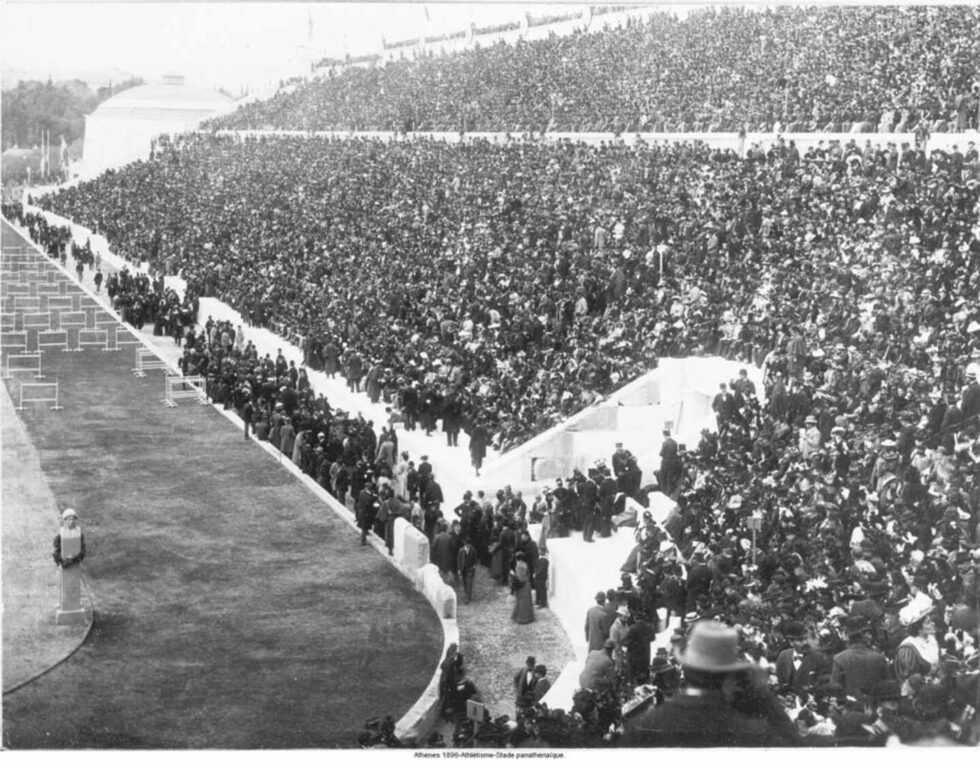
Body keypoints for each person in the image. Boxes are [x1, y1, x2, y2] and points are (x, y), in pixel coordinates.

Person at [622, 621, 795, 747]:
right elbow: (795, 744)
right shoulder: (755, 730)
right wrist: (764, 696)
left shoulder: (642, 725)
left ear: (687, 668)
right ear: (729, 674)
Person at [830, 615, 890, 703]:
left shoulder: (839, 659)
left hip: (851, 708)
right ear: (861, 635)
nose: (871, 637)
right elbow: (887, 685)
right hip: (874, 706)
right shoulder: (879, 658)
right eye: (868, 633)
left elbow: (835, 689)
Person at [510, 551, 535, 624]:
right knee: (526, 603)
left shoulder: (519, 566)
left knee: (521, 603)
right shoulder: (525, 564)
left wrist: (513, 576)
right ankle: (528, 617)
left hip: (522, 586)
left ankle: (521, 618)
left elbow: (520, 577)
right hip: (527, 584)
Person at [456, 538, 478, 604]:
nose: (468, 546)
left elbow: (475, 559)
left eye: (469, 545)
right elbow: (459, 560)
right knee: (465, 582)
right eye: (467, 545)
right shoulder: (461, 551)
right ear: (465, 544)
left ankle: (467, 598)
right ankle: (467, 594)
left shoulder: (473, 550)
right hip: (463, 569)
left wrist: (474, 565)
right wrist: (459, 569)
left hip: (470, 569)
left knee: (469, 583)